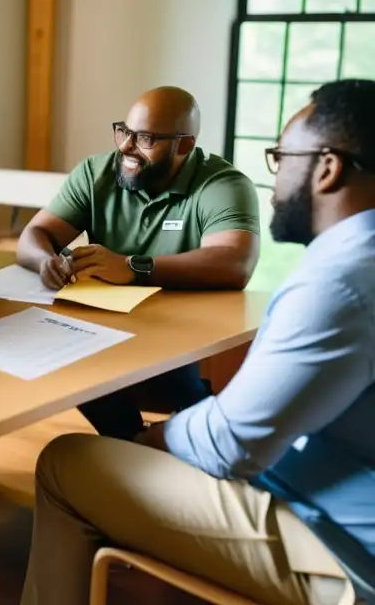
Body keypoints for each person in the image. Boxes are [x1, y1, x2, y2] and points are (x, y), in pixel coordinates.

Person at [21, 79, 375, 605]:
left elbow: (230, 443)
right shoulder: (352, 264)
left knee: (65, 461)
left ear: (327, 168)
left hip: (342, 549)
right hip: (324, 481)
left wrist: (148, 444)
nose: (274, 181)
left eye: (282, 158)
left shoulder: (342, 281)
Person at [16, 86, 260, 440]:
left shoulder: (223, 184)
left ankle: (188, 438)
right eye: (124, 132)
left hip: (183, 328)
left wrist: (132, 267)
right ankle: (130, 440)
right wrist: (45, 261)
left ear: (185, 146)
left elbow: (234, 262)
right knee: (62, 361)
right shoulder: (95, 173)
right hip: (105, 322)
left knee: (180, 387)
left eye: (145, 138)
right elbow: (34, 234)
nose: (126, 147)